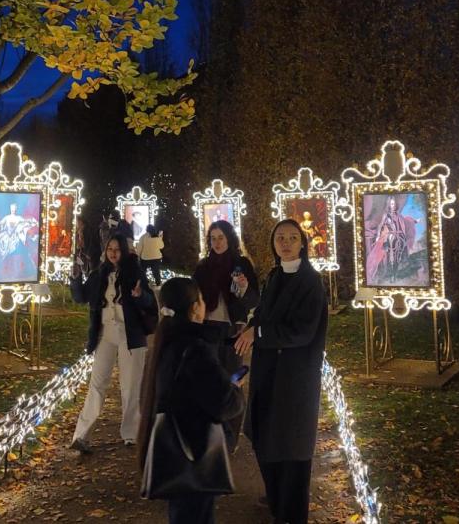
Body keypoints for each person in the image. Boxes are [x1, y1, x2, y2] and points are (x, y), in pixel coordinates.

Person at [235, 219, 328, 524]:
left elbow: (302, 331)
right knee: (265, 436)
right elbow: (264, 313)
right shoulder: (275, 275)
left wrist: (258, 334)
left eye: (292, 237)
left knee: (291, 445)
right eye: (280, 238)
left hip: (294, 377)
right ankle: (276, 498)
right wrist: (250, 325)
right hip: (269, 372)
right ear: (273, 244)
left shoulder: (310, 282)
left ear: (302, 243)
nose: (286, 242)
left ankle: (291, 512)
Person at [137, 277, 245, 524]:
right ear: (196, 307)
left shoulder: (166, 342)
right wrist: (234, 389)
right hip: (195, 451)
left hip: (174, 451)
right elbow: (223, 403)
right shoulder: (194, 348)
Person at [69, 233, 158, 453]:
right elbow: (81, 297)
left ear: (124, 252)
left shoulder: (134, 272)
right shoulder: (100, 274)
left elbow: (149, 301)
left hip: (131, 334)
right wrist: (75, 279)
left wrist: (139, 295)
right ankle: (81, 435)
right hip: (106, 333)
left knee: (130, 385)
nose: (113, 253)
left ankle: (130, 433)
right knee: (97, 384)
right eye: (110, 249)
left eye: (117, 249)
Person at [192, 220, 260, 375]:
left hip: (232, 328)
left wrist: (243, 287)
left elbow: (254, 301)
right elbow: (193, 294)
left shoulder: (241, 264)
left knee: (232, 377)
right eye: (213, 238)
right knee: (209, 376)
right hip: (207, 326)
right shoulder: (203, 266)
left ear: (229, 237)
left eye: (221, 237)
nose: (217, 242)